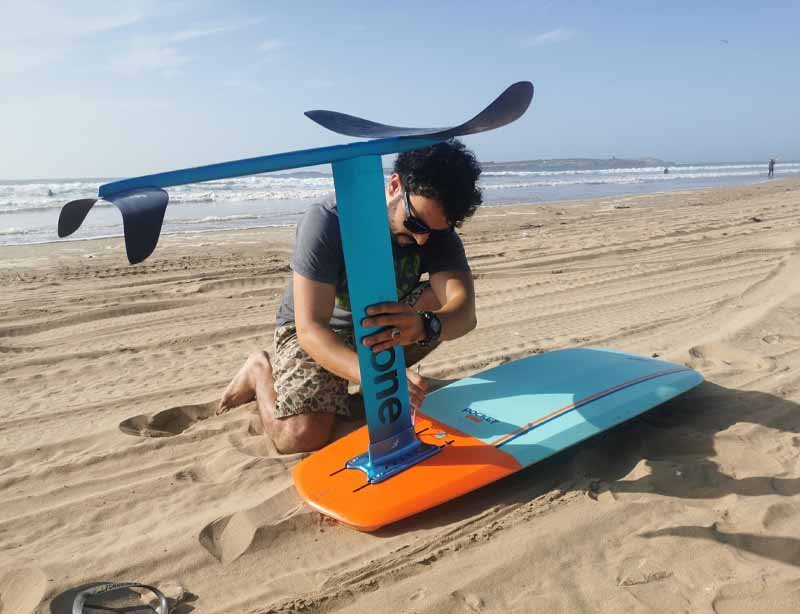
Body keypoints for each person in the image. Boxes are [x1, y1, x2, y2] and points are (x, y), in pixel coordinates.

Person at [217, 140, 482, 453]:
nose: (422, 239)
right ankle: (259, 370)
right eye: (415, 224)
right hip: (317, 332)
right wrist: (376, 377)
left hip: (374, 325)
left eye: (436, 231)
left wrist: (425, 326)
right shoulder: (330, 220)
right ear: (394, 185)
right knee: (300, 436)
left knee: (438, 303)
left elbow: (464, 313)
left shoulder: (434, 229)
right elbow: (310, 329)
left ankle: (353, 392)